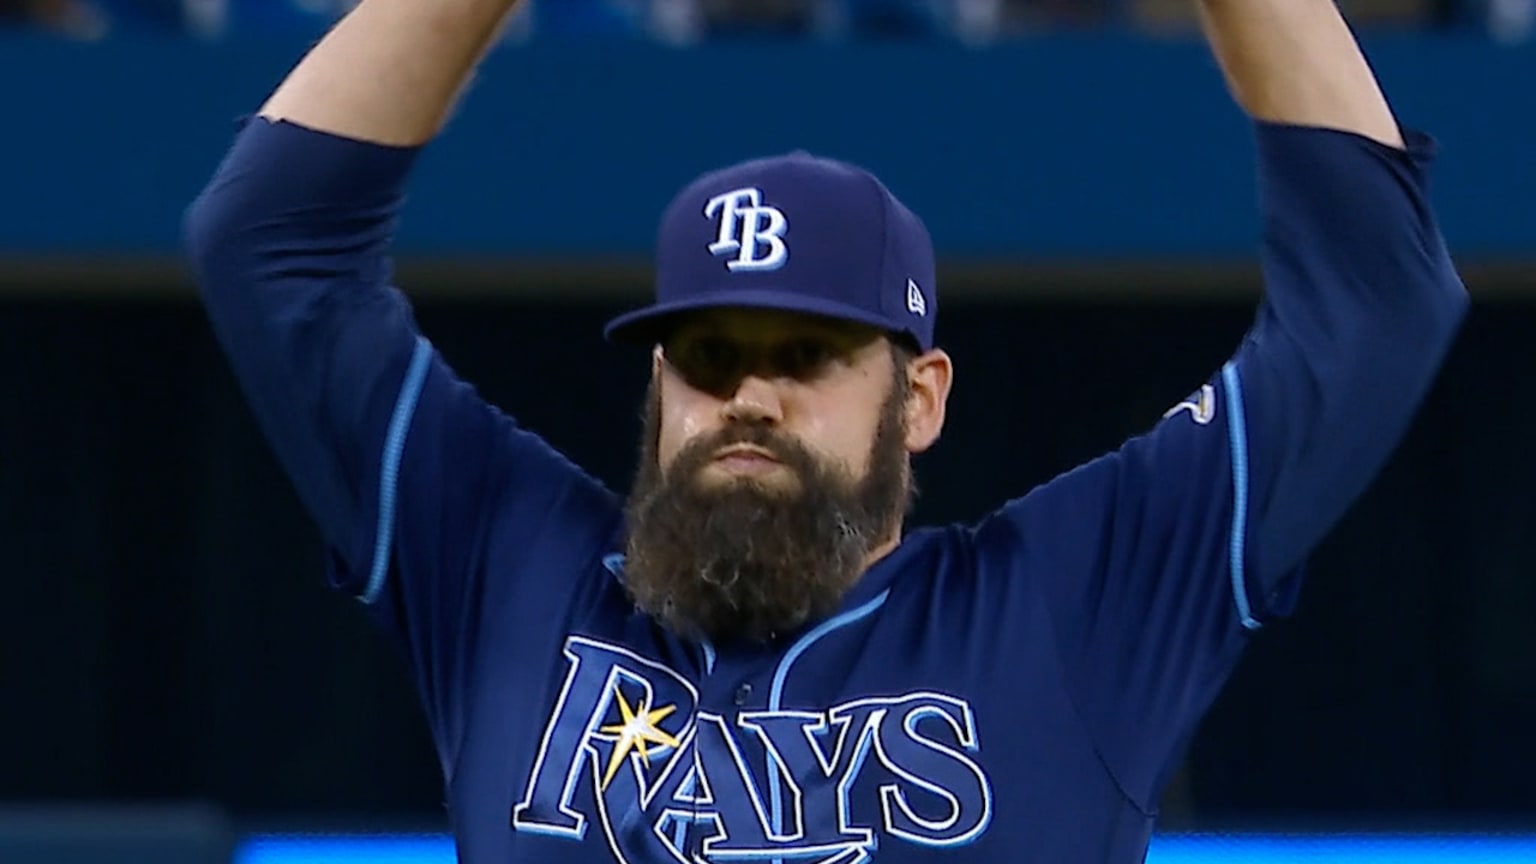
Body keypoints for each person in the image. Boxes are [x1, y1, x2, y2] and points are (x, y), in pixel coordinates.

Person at [182, 0, 1468, 856]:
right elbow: (265, 245)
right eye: (709, 357)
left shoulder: (1074, 605)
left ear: (921, 399)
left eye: (807, 355)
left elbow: (1375, 305)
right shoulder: (507, 573)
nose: (750, 394)